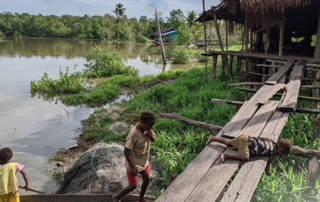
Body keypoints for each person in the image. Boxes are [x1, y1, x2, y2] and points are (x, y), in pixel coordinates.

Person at [113, 110, 156, 202]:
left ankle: (140, 198)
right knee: (133, 186)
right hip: (133, 163)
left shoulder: (148, 129)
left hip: (144, 162)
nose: (151, 128)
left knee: (146, 180)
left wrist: (150, 135)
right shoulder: (134, 134)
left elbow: (153, 139)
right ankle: (116, 197)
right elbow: (126, 150)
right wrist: (132, 166)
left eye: (152, 126)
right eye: (149, 126)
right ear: (142, 122)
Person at [205, 134, 293, 176]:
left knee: (228, 143)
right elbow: (268, 164)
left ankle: (213, 138)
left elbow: (262, 139)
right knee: (246, 157)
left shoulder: (271, 141)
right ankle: (226, 155)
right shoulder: (273, 153)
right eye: (282, 154)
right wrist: (267, 172)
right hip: (245, 143)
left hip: (245, 137)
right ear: (281, 151)